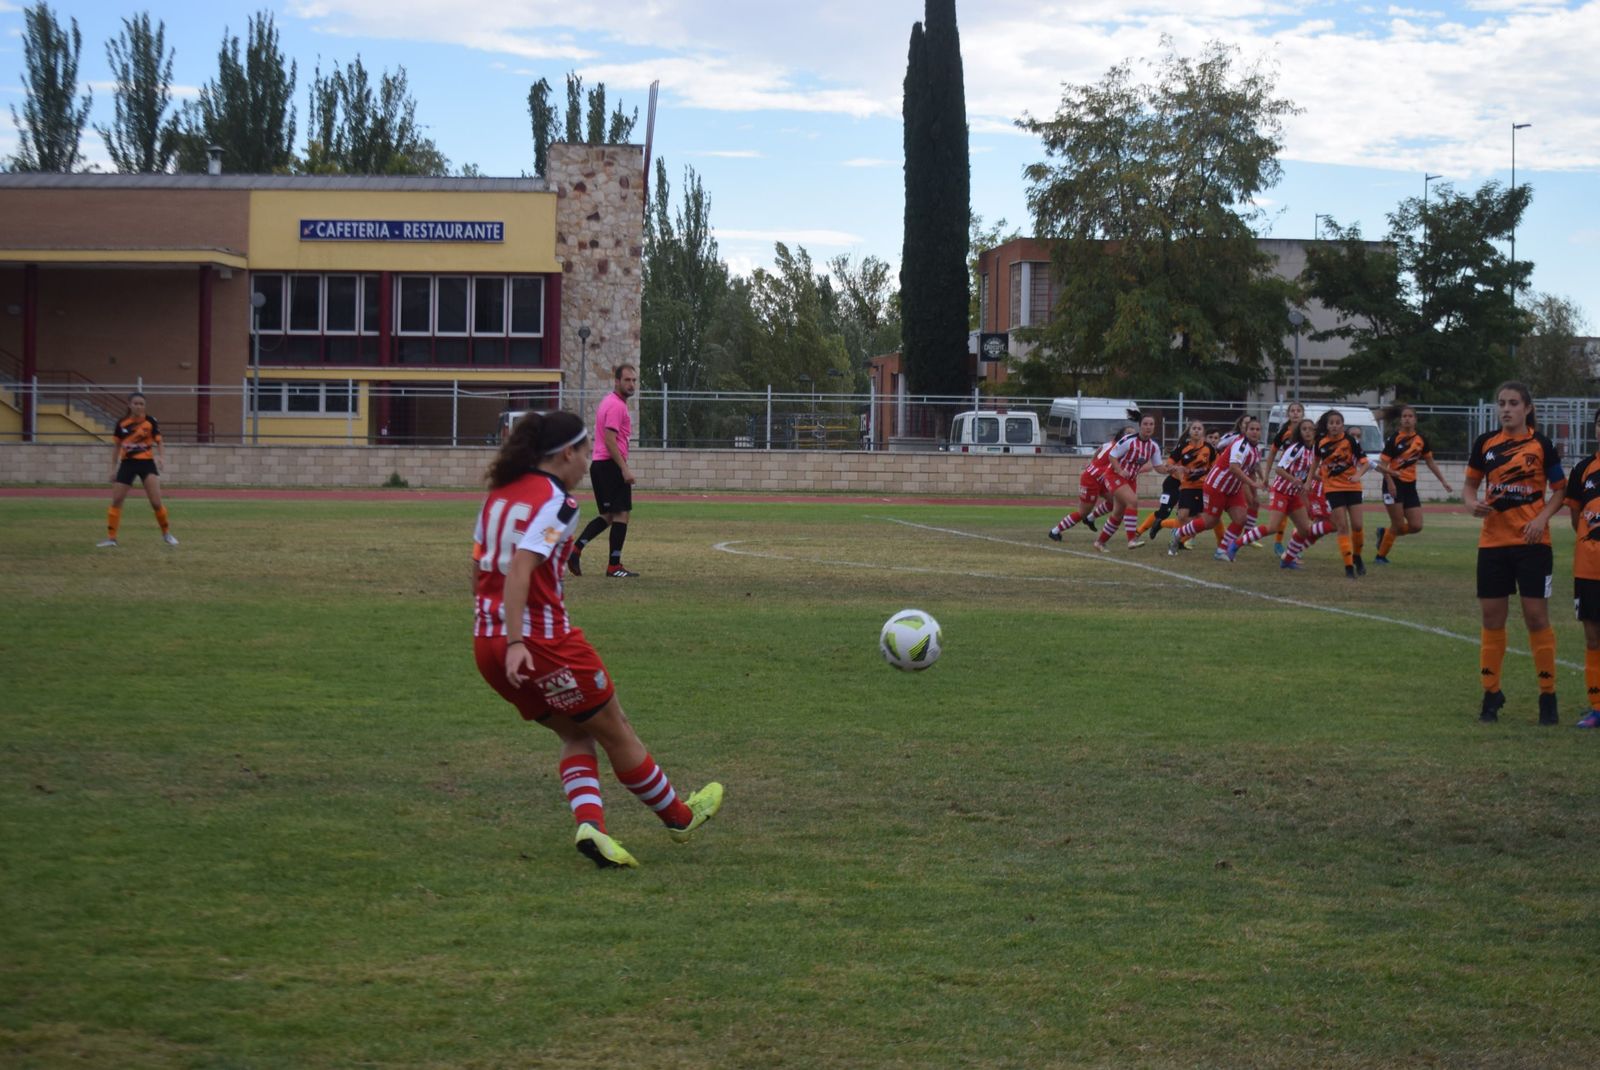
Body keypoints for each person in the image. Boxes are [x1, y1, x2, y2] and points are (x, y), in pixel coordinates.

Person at [472, 409, 723, 867]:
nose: (588, 462)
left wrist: (501, 640)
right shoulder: (558, 503)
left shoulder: (498, 496)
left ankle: (591, 827)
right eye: (585, 451)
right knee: (615, 727)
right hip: (541, 644)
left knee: (574, 733)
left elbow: (483, 567)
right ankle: (681, 818)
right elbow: (521, 568)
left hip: (486, 645)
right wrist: (517, 641)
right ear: (566, 452)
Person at [1463, 381, 1568, 726]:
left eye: (1512, 403)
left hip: (1533, 546)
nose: (1506, 409)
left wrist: (1541, 518)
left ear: (1527, 408)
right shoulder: (1486, 445)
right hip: (1492, 544)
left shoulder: (1541, 444)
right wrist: (1470, 503)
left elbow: (1559, 491)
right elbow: (1469, 485)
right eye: (1501, 403)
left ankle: (1547, 695)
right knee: (1492, 619)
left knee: (1536, 617)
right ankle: (1491, 692)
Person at [1229, 418, 1335, 567]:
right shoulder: (1296, 448)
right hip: (1281, 491)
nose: (1308, 432)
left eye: (1311, 429)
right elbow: (1279, 469)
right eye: (1304, 429)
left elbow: (1307, 472)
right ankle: (1236, 544)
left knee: (1305, 530)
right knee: (1273, 527)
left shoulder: (1314, 451)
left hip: (1294, 494)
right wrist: (1294, 480)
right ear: (1300, 432)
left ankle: (1287, 560)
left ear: (1315, 432)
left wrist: (1327, 478)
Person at [570, 364, 640, 578]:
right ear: (617, 381)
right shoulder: (617, 406)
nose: (631, 384)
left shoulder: (609, 402)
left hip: (601, 466)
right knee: (621, 514)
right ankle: (614, 566)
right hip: (609, 466)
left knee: (609, 515)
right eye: (627, 380)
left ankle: (575, 549)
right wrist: (624, 468)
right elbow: (610, 441)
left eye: (634, 381)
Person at [1168, 416, 1264, 558]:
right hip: (1217, 486)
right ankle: (1179, 533)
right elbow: (1234, 468)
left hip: (1233, 488)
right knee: (1209, 522)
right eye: (1251, 429)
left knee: (1241, 519)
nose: (1255, 432)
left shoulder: (1256, 449)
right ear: (1245, 430)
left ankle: (1222, 551)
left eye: (1257, 429)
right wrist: (1252, 484)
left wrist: (1263, 479)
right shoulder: (1240, 445)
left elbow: (1253, 467)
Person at [1372, 404, 1454, 564]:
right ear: (1400, 420)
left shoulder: (1421, 440)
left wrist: (1443, 481)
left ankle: (1385, 533)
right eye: (1404, 416)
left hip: (1410, 486)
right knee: (1398, 524)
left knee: (1416, 526)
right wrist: (1390, 483)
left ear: (1415, 420)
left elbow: (1430, 462)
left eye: (1410, 416)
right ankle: (1380, 556)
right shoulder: (1394, 439)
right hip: (1393, 484)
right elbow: (1383, 465)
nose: (1407, 419)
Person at [98, 391, 178, 548]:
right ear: (129, 405)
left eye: (141, 404)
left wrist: (161, 457)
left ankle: (167, 534)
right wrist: (113, 469)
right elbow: (116, 447)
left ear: (144, 406)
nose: (139, 406)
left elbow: (159, 442)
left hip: (147, 464)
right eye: (135, 403)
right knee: (117, 500)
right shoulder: (121, 423)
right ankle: (111, 538)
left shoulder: (151, 421)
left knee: (156, 502)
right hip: (127, 464)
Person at [1563, 408, 1600, 728]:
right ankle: (1597, 706)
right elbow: (1576, 518)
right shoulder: (1583, 469)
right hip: (1588, 568)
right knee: (1592, 638)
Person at [1090, 413, 1170, 552]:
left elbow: (1158, 467)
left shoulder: (1153, 446)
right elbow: (1112, 456)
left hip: (1130, 480)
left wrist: (1171, 470)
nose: (1148, 427)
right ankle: (1132, 539)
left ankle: (1100, 542)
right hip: (1114, 475)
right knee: (1133, 501)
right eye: (1145, 424)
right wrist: (1120, 471)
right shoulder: (1129, 440)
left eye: (1151, 424)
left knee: (1118, 514)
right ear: (1140, 426)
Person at [1047, 424, 1135, 542]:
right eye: (1128, 434)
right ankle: (1055, 531)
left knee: (1117, 501)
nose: (1132, 437)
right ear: (1122, 436)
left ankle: (1090, 518)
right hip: (1091, 479)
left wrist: (1092, 463)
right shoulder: (1118, 449)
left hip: (1100, 479)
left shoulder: (1113, 444)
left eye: (1133, 434)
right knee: (1083, 512)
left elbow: (1100, 448)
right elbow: (1111, 461)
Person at [1314, 410, 1369, 579]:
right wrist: (1310, 481)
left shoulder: (1350, 440)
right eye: (1332, 423)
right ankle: (1348, 567)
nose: (1335, 426)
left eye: (1338, 422)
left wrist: (1358, 475)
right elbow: (1314, 464)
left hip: (1353, 487)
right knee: (1342, 526)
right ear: (1327, 425)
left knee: (1358, 525)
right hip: (1333, 489)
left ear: (1342, 425)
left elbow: (1365, 463)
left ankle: (1357, 556)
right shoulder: (1321, 443)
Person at [1138, 419, 1211, 543]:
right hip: (1173, 483)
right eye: (1194, 429)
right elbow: (1170, 464)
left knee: (1194, 516)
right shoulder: (1183, 446)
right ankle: (1138, 532)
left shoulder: (1208, 450)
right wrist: (1174, 469)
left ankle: (1183, 541)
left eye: (1200, 429)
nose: (1197, 431)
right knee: (1164, 512)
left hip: (1191, 487)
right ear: (1190, 431)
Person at [1264, 401, 1306, 554]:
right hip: (1286, 478)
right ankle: (1279, 544)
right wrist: (1266, 475)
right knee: (1285, 513)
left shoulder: (1308, 431)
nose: (1295, 413)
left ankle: (1296, 544)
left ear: (1302, 414)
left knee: (1305, 513)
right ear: (1288, 414)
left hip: (1304, 478)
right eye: (1292, 411)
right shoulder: (1284, 432)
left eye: (1298, 410)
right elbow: (1272, 453)